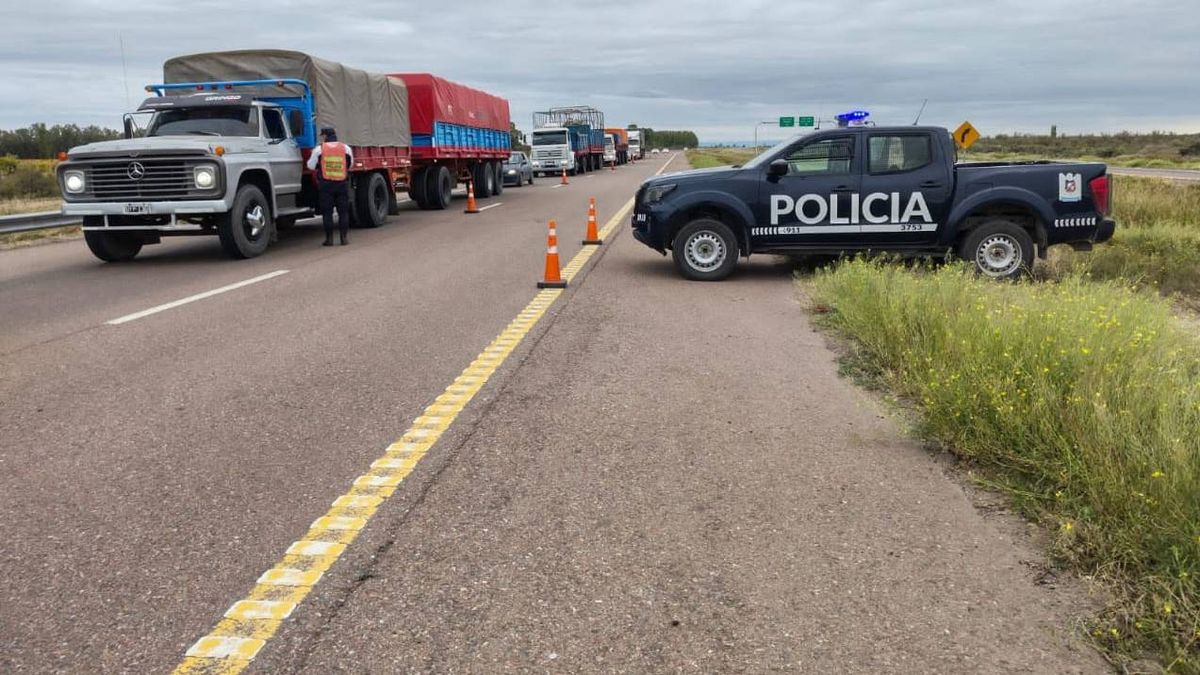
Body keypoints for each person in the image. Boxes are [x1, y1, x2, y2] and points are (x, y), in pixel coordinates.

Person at [307, 127, 353, 246]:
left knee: (327, 213)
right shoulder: (345, 148)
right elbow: (350, 164)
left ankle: (329, 239)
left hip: (326, 185)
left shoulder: (319, 149)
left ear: (325, 136)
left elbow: (311, 166)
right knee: (343, 213)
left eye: (322, 135)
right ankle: (344, 238)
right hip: (342, 183)